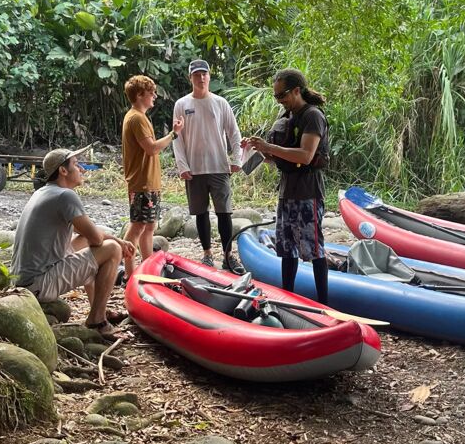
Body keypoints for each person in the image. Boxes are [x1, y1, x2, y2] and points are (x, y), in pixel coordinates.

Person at [11, 146, 136, 338]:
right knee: (111, 250)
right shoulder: (65, 195)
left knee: (89, 241)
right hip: (38, 284)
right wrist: (118, 243)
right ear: (63, 171)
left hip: (24, 281)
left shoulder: (45, 192)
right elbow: (97, 238)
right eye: (77, 165)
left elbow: (87, 234)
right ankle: (97, 321)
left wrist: (119, 239)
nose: (82, 169)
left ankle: (99, 308)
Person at [242, 68, 330, 304]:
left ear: (297, 91)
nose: (279, 101)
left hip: (308, 193)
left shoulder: (313, 116)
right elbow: (279, 158)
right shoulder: (286, 118)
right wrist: (259, 149)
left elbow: (305, 155)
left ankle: (324, 303)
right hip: (287, 192)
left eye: (282, 96)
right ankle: (287, 298)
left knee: (314, 249)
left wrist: (270, 148)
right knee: (286, 248)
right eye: (276, 96)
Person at [172, 59, 244, 271]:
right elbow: (177, 137)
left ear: (210, 76)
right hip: (194, 169)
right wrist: (182, 166)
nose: (201, 78)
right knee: (200, 213)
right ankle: (207, 254)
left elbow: (234, 132)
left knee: (225, 213)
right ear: (190, 78)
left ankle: (228, 255)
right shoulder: (182, 104)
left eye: (204, 74)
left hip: (219, 167)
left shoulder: (220, 103)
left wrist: (237, 159)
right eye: (196, 74)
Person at [122, 75, 184, 272]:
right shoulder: (137, 118)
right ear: (140, 95)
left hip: (148, 182)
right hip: (142, 182)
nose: (155, 96)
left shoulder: (139, 117)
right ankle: (131, 273)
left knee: (148, 227)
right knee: (138, 227)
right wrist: (174, 134)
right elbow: (152, 148)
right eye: (151, 93)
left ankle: (147, 269)